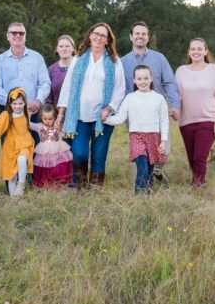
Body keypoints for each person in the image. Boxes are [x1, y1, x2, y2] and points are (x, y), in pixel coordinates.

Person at [55, 21, 126, 188]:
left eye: (103, 35)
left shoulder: (115, 62)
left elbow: (120, 89)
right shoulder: (78, 59)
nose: (98, 37)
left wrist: (109, 108)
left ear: (108, 40)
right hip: (79, 115)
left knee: (99, 155)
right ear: (90, 36)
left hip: (103, 117)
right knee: (79, 153)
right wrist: (61, 114)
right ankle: (79, 184)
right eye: (96, 33)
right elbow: (67, 87)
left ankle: (94, 190)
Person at [119, 20, 181, 185]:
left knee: (164, 149)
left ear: (147, 37)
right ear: (131, 37)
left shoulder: (159, 58)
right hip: (134, 114)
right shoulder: (122, 62)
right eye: (137, 33)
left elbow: (169, 82)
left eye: (143, 34)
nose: (140, 36)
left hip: (157, 112)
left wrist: (175, 105)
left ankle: (158, 173)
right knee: (141, 151)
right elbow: (119, 88)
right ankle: (141, 183)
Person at [106, 64, 169, 194]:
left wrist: (163, 140)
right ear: (134, 80)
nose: (143, 81)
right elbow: (120, 118)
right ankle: (138, 194)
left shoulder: (159, 98)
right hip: (136, 136)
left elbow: (164, 121)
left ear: (151, 78)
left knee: (150, 167)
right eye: (139, 79)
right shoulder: (130, 98)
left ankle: (148, 190)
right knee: (142, 166)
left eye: (146, 78)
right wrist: (105, 119)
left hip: (154, 136)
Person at [175, 38, 215, 188]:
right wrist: (176, 110)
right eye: (193, 49)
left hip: (208, 119)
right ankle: (199, 180)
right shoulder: (181, 71)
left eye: (199, 49)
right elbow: (177, 96)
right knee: (192, 158)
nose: (196, 52)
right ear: (189, 52)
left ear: (205, 51)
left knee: (200, 156)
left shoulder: (214, 70)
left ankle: (198, 186)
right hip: (186, 122)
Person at [0, 20, 51, 126]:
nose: (18, 35)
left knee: (34, 143)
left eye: (21, 33)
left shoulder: (37, 58)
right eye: (14, 33)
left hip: (33, 111)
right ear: (8, 36)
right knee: (8, 143)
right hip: (7, 111)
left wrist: (38, 100)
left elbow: (45, 82)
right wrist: (15, 104)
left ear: (25, 36)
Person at [0, 87, 35, 198]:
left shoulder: (26, 113)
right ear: (10, 104)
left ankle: (21, 184)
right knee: (11, 175)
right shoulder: (7, 115)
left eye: (20, 103)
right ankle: (14, 199)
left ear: (25, 103)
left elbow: (30, 126)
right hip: (10, 146)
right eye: (14, 104)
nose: (17, 106)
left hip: (25, 143)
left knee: (22, 159)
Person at [29, 103, 73, 188]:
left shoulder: (57, 127)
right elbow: (29, 124)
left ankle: (59, 184)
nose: (47, 121)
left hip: (58, 151)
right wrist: (29, 115)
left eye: (50, 119)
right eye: (45, 119)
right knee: (46, 168)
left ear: (55, 118)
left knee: (59, 167)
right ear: (41, 117)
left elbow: (64, 135)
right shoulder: (39, 127)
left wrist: (60, 130)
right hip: (45, 153)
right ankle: (47, 184)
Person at [47, 35, 76, 108]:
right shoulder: (51, 70)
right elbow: (49, 98)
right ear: (57, 49)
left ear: (73, 48)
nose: (64, 49)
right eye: (61, 46)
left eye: (67, 46)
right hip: (58, 114)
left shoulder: (80, 66)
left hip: (80, 115)